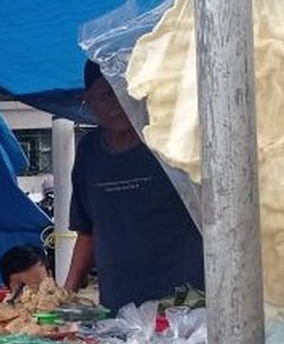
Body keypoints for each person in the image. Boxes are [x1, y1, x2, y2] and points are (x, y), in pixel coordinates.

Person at [64, 60, 204, 311]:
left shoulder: (170, 142)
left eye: (126, 90)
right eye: (108, 94)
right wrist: (66, 295)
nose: (119, 102)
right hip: (119, 305)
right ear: (89, 101)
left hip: (185, 305)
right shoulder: (89, 152)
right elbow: (87, 231)